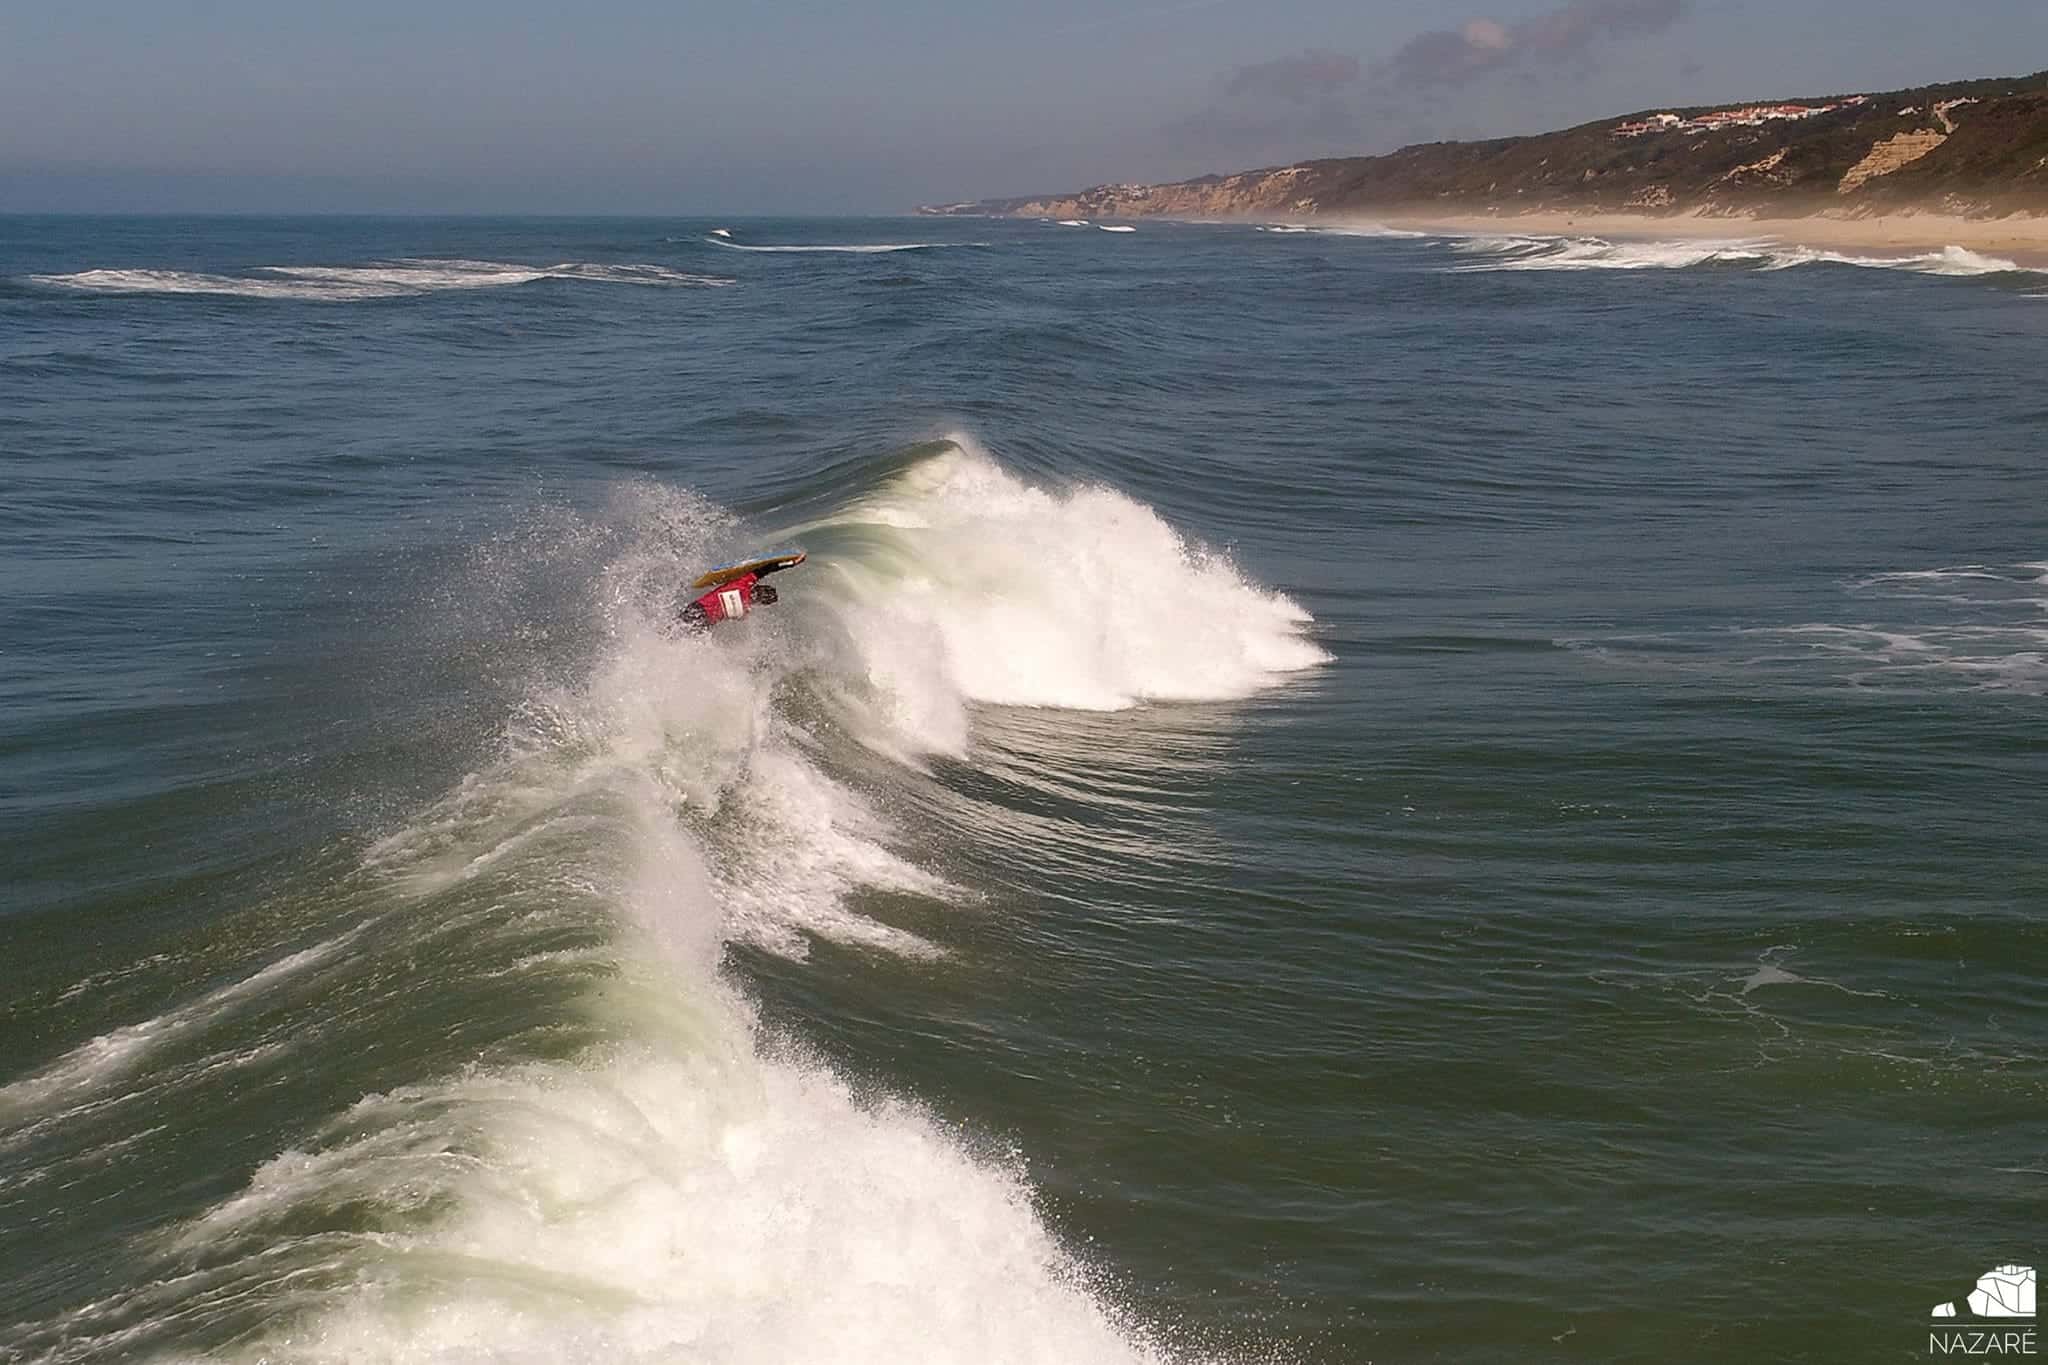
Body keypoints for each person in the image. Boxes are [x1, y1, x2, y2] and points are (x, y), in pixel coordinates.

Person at [679, 552, 802, 629]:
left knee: (673, 631)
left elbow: (767, 569)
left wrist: (792, 563)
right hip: (705, 623)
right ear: (759, 602)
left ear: (758, 587)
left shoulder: (744, 584)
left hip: (697, 610)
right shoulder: (743, 612)